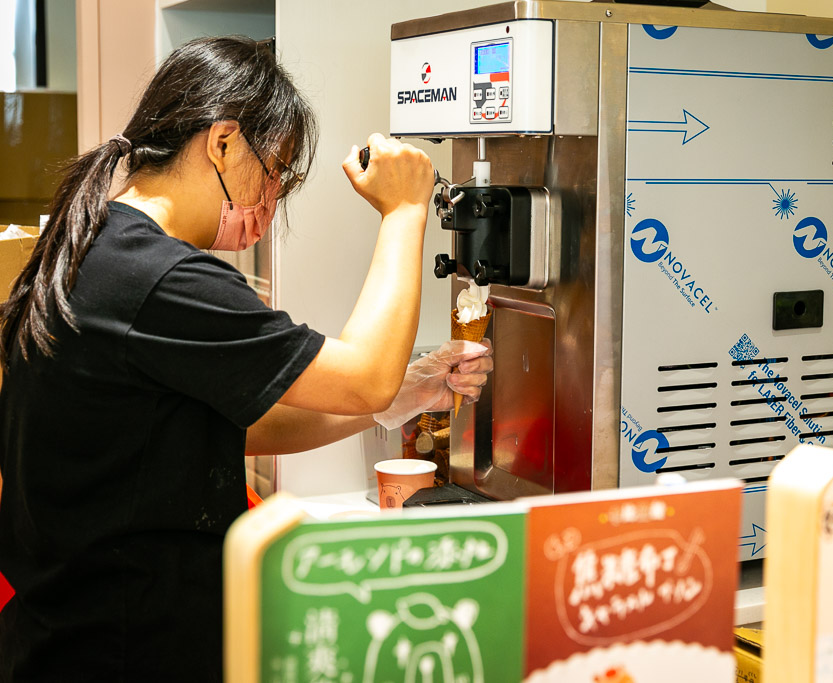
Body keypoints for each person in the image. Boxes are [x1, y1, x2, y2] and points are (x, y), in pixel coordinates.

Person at [0, 37, 492, 681]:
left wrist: (404, 393)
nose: (272, 201)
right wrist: (403, 212)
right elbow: (366, 376)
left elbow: (226, 428)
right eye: (275, 171)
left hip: (69, 637)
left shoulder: (98, 244)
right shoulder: (161, 277)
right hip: (125, 649)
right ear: (223, 142)